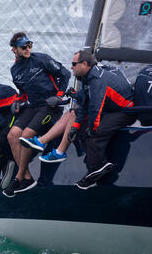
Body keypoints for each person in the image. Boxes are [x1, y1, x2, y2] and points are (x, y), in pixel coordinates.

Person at [23, 50, 136, 190]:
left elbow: (95, 107)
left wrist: (92, 128)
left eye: (74, 64)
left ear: (84, 64)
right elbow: (84, 105)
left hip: (124, 110)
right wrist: (75, 126)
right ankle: (91, 165)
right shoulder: (88, 76)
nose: (71, 67)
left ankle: (98, 167)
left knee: (94, 133)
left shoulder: (97, 80)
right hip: (110, 108)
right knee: (78, 122)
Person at [3, 32, 71, 198]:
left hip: (50, 105)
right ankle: (27, 177)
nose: (28, 49)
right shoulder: (14, 70)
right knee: (13, 135)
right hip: (33, 107)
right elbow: (22, 92)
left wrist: (59, 95)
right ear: (14, 50)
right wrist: (18, 102)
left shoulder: (41, 59)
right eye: (23, 47)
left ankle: (19, 177)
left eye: (29, 45)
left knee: (26, 136)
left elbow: (66, 74)